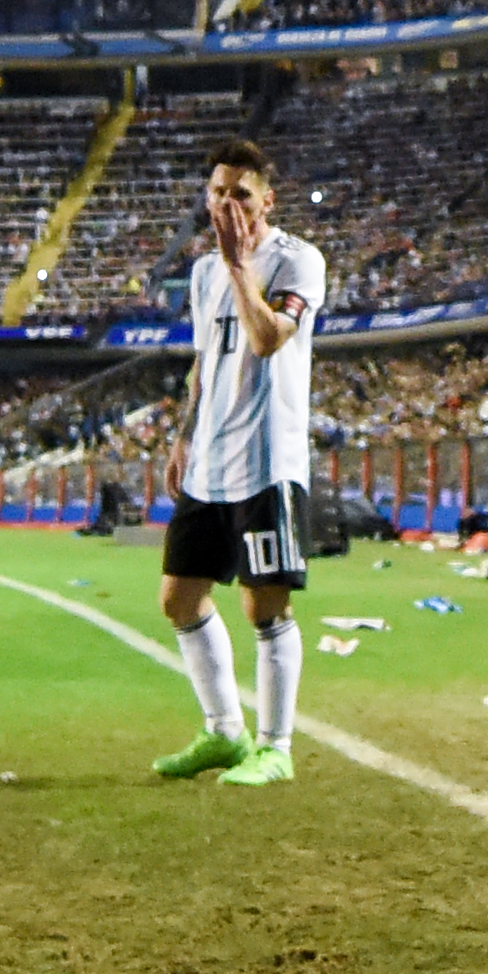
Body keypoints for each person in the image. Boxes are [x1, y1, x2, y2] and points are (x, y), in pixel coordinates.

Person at [150, 134, 321, 787]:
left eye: (240, 194)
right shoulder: (199, 274)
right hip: (209, 458)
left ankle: (274, 746)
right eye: (218, 191)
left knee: (264, 606)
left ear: (266, 200)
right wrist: (184, 433)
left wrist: (238, 264)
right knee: (179, 597)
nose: (226, 203)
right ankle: (224, 732)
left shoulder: (298, 260)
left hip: (267, 459)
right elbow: (204, 361)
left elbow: (268, 337)